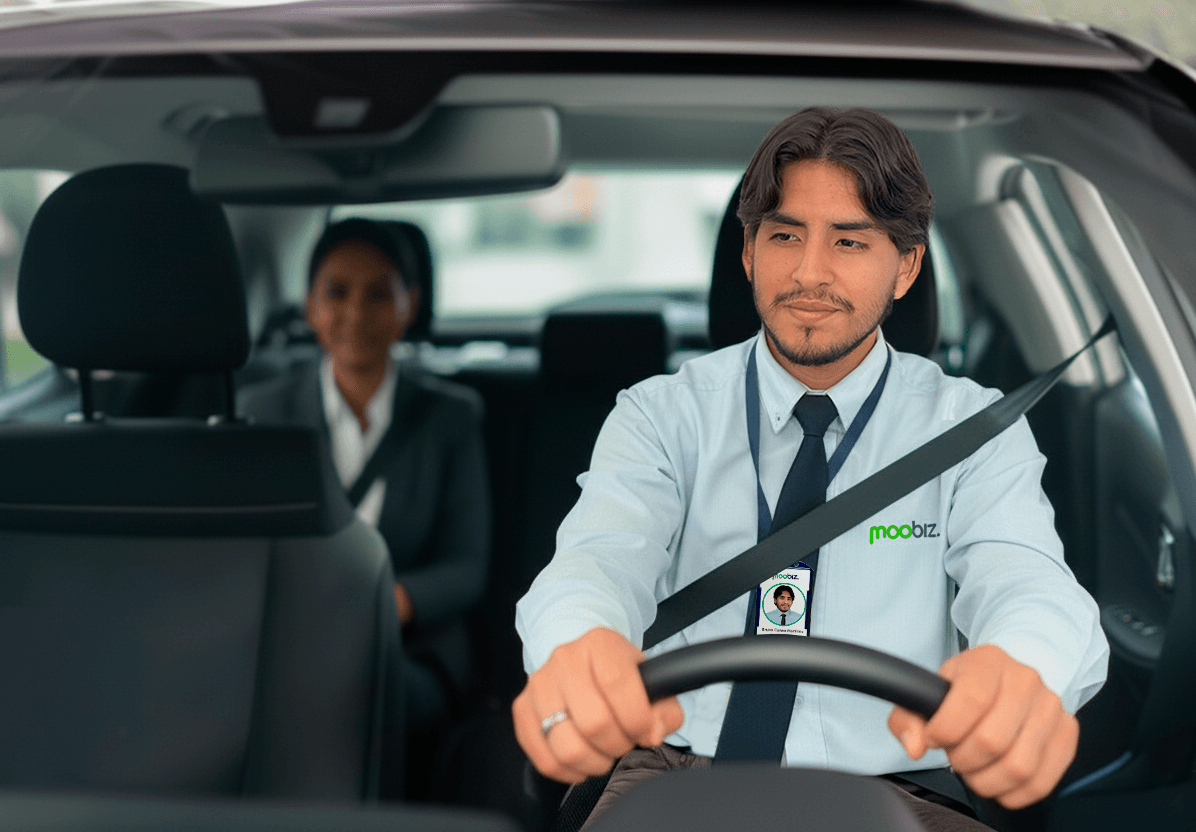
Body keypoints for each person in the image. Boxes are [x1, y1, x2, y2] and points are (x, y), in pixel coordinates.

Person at [513, 107, 1108, 830]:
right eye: (785, 235)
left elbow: (1029, 583)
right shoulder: (661, 415)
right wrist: (581, 645)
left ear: (907, 267)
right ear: (748, 254)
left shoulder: (971, 429)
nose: (809, 272)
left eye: (850, 241)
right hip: (672, 775)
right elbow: (596, 563)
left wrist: (1024, 668)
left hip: (902, 790)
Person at [240, 217, 491, 738]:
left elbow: (466, 567)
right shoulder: (263, 412)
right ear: (310, 305)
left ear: (410, 305)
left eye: (379, 294)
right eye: (336, 293)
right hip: (292, 636)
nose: (355, 312)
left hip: (409, 648)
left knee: (346, 686)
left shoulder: (450, 417)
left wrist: (384, 605)